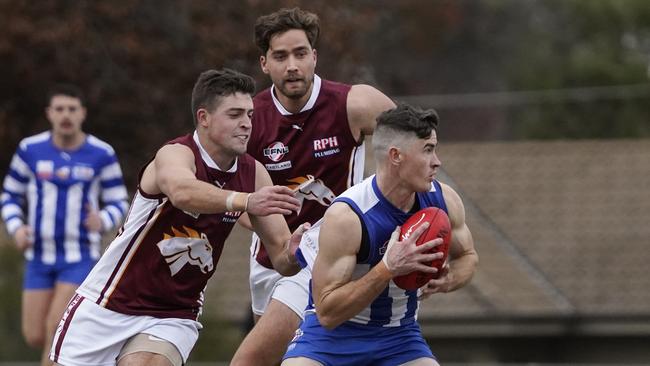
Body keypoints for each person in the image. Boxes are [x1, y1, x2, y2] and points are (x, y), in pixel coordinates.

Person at [48, 68, 305, 366]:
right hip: (109, 303)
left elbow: (282, 258)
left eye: (250, 115)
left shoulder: (254, 173)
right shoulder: (175, 154)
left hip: (175, 313)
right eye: (235, 114)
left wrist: (298, 250)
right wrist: (244, 201)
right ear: (204, 117)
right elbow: (183, 191)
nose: (247, 124)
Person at [230, 7, 396, 365]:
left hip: (328, 251)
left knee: (250, 360)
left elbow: (413, 147)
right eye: (281, 56)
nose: (292, 65)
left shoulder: (354, 103)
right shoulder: (250, 120)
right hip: (270, 257)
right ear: (264, 63)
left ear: (314, 57)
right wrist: (276, 238)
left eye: (300, 54)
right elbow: (237, 203)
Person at [282, 103, 479, 365]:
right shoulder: (348, 216)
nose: (437, 162)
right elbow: (327, 312)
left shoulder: (443, 200)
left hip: (399, 337)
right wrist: (388, 268)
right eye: (428, 150)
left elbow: (468, 255)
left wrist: (449, 279)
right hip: (331, 338)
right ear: (396, 156)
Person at [1, 84, 129, 366]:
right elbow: (9, 195)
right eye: (60, 109)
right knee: (35, 335)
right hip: (38, 256)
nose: (66, 115)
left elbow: (119, 201)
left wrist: (102, 220)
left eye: (72, 109)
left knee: (55, 330)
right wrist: (16, 227)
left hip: (79, 256)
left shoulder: (101, 153)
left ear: (82, 113)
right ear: (49, 114)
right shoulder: (30, 149)